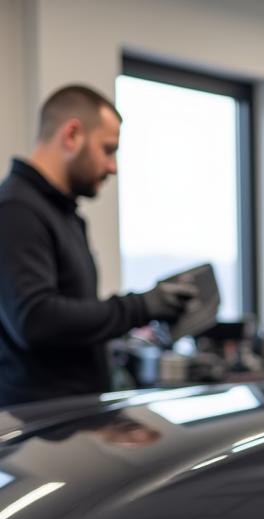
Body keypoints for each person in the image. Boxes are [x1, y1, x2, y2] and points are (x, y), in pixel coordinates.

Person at [0, 84, 195, 407]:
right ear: (72, 134)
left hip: (75, 421)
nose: (112, 167)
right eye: (108, 150)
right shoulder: (16, 211)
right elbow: (36, 320)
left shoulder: (65, 215)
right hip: (40, 437)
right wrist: (141, 307)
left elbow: (72, 324)